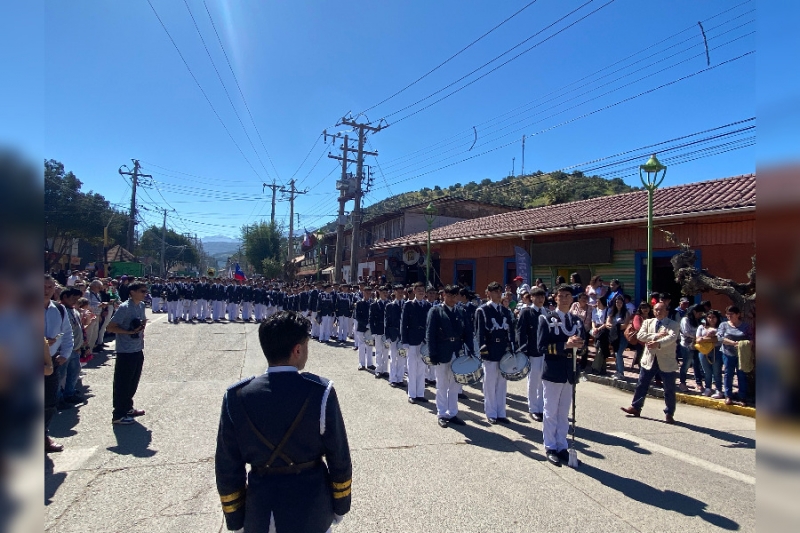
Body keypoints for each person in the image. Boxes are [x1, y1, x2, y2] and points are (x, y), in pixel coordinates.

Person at [215, 311, 352, 532]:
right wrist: (340, 505)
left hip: (260, 509)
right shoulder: (321, 391)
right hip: (312, 507)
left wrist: (236, 517)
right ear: (297, 350)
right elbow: (339, 456)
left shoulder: (237, 396)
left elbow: (227, 466)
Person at [537, 284, 585, 466]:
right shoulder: (546, 319)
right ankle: (550, 446)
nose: (564, 299)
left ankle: (561, 445)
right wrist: (565, 345)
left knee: (564, 412)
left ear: (572, 299)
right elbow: (541, 347)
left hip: (569, 371)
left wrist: (579, 347)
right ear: (555, 298)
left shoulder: (577, 321)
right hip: (553, 371)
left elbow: (584, 346)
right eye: (561, 295)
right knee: (550, 412)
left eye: (567, 296)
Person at [621, 302, 680, 423]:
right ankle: (635, 407)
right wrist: (656, 335)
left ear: (666, 311)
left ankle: (669, 412)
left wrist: (658, 343)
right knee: (642, 384)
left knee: (669, 388)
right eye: (656, 310)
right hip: (649, 359)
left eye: (661, 310)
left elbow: (671, 337)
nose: (658, 312)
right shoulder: (648, 322)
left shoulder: (673, 324)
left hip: (666, 360)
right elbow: (641, 336)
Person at [426, 285, 473, 428]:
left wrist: (470, 349)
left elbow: (467, 331)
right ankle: (441, 413)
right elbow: (430, 334)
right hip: (442, 351)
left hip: (457, 350)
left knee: (455, 384)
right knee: (442, 384)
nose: (453, 299)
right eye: (450, 295)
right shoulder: (436, 311)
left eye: (455, 296)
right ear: (443, 295)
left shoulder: (460, 311)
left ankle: (452, 413)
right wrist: (432, 353)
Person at [105, 281, 149, 425]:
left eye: (145, 291)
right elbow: (110, 327)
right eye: (142, 291)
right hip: (125, 351)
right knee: (122, 383)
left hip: (137, 348)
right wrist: (128, 331)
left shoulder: (141, 306)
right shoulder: (124, 308)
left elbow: (142, 321)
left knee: (133, 382)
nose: (145, 293)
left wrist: (141, 327)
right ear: (132, 292)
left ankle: (128, 408)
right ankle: (118, 414)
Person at [475, 281, 515, 424]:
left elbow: (510, 331)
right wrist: (482, 350)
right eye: (495, 291)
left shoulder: (505, 311)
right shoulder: (483, 310)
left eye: (499, 291)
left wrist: (512, 348)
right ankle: (491, 412)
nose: (498, 294)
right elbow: (479, 333)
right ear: (488, 293)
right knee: (490, 383)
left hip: (503, 350)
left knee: (502, 383)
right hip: (490, 350)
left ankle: (501, 412)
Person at [45, 274, 74, 453]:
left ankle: (43, 436)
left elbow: (66, 333)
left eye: (49, 287)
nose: (45, 290)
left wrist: (64, 354)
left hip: (50, 363)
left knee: (49, 402)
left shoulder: (58, 309)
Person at [517, 286, 546, 421]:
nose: (540, 300)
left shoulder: (546, 312)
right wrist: (524, 350)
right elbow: (521, 333)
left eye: (542, 297)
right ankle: (533, 408)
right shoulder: (526, 312)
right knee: (533, 381)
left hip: (545, 352)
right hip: (532, 352)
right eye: (537, 297)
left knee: (543, 381)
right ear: (532, 298)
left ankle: (542, 407)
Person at [400, 282, 431, 404]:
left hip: (424, 341)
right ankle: (412, 393)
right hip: (412, 340)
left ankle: (420, 393)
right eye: (418, 290)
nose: (421, 292)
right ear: (414, 291)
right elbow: (404, 324)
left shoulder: (428, 305)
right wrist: (405, 341)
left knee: (422, 368)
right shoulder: (408, 305)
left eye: (423, 290)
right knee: (412, 368)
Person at [717, 306, 753, 406]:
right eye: (727, 314)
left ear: (738, 314)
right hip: (728, 353)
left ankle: (742, 397)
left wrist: (743, 344)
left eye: (731, 314)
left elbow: (751, 339)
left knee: (742, 375)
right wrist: (733, 343)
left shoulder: (746, 326)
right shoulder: (723, 325)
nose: (729, 316)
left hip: (741, 354)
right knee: (728, 374)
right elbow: (720, 338)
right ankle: (728, 395)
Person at [696, 309, 724, 398]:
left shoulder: (721, 327)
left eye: (713, 317)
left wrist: (704, 339)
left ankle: (718, 389)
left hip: (717, 350)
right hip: (704, 351)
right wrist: (709, 338)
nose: (711, 319)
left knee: (717, 371)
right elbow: (697, 339)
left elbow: (719, 339)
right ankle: (708, 388)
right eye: (709, 317)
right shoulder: (701, 327)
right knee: (707, 371)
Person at [384, 284, 407, 388]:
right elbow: (387, 322)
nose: (400, 293)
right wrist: (387, 335)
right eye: (398, 291)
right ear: (394, 292)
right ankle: (393, 378)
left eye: (402, 291)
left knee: (402, 358)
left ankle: (400, 378)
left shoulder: (406, 305)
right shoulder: (390, 306)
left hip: (404, 335)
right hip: (393, 334)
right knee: (393, 357)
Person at [678, 305, 704, 392]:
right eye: (699, 313)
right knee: (686, 364)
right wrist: (698, 336)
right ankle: (682, 383)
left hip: (697, 345)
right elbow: (686, 332)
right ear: (694, 312)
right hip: (687, 345)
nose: (700, 315)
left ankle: (699, 383)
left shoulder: (700, 320)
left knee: (697, 365)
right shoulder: (685, 320)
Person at [606, 295, 631, 380]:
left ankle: (621, 372)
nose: (619, 304)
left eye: (620, 302)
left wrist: (615, 326)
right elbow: (607, 323)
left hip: (622, 335)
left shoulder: (626, 313)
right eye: (617, 302)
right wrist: (615, 326)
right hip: (614, 335)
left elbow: (625, 325)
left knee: (619, 353)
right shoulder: (612, 312)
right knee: (616, 353)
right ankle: (617, 371)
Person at [369, 286, 390, 379]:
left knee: (386, 351)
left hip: (387, 331)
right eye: (383, 292)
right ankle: (378, 369)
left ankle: (385, 370)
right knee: (378, 351)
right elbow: (371, 319)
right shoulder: (374, 305)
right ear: (379, 293)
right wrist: (373, 332)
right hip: (378, 330)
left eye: (386, 292)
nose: (385, 294)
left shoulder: (390, 304)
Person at [353, 285, 374, 371]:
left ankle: (369, 363)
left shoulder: (373, 303)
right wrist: (366, 324)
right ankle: (361, 363)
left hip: (370, 328)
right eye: (366, 292)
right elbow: (357, 316)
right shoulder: (359, 303)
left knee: (369, 345)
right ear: (363, 293)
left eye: (369, 292)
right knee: (361, 345)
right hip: (362, 327)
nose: (368, 294)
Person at [589, 297, 610, 375]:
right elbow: (593, 321)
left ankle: (595, 367)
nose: (597, 303)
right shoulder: (595, 310)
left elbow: (607, 322)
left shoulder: (608, 310)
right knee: (600, 349)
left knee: (601, 349)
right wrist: (594, 328)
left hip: (604, 331)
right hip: (596, 330)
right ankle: (603, 368)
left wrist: (598, 329)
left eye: (598, 302)